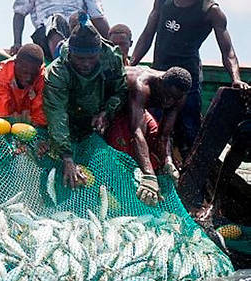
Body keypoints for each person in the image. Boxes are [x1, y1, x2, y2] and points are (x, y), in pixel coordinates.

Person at [131, 0, 250, 160]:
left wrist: (236, 78)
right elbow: (147, 35)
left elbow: (227, 51)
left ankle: (190, 178)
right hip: (160, 78)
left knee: (189, 134)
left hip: (188, 83)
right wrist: (131, 65)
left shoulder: (211, 11)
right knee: (152, 129)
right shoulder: (162, 2)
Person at [43, 21, 127, 189]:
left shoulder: (112, 59)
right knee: (59, 181)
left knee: (99, 181)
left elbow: (121, 91)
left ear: (99, 53)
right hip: (66, 124)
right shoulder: (58, 72)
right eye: (80, 58)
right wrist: (66, 157)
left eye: (91, 58)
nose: (86, 64)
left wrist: (106, 112)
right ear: (71, 53)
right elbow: (57, 113)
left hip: (96, 124)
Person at [105, 66, 192, 206]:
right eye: (167, 95)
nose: (168, 101)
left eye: (173, 99)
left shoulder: (179, 95)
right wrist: (148, 174)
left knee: (154, 146)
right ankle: (120, 188)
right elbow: (137, 131)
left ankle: (153, 186)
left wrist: (168, 161)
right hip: (118, 109)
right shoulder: (141, 84)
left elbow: (163, 136)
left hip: (140, 112)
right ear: (160, 82)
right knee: (123, 149)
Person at [10, 0, 110, 60]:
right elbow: (19, 14)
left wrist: (112, 44)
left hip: (77, 32)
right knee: (55, 20)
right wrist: (17, 43)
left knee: (83, 22)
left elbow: (98, 17)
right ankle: (61, 61)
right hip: (46, 34)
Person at [0, 43, 47, 127]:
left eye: (33, 74)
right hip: (5, 121)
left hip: (29, 125)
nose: (28, 78)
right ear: (16, 63)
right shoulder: (0, 78)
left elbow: (40, 117)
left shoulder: (43, 78)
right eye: (25, 72)